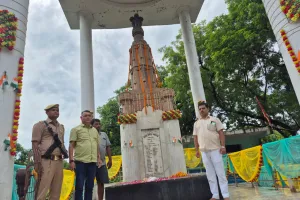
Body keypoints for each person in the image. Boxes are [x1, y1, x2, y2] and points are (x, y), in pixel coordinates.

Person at [193, 101, 230, 200]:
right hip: (204, 152)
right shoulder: (196, 123)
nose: (201, 110)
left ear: (208, 109)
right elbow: (195, 138)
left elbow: (221, 133)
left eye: (203, 108)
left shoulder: (215, 120)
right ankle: (215, 195)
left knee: (220, 173)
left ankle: (225, 195)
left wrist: (223, 146)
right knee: (210, 175)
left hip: (216, 150)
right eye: (200, 109)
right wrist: (196, 150)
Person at [31, 104, 68, 200]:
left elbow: (62, 143)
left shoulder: (61, 127)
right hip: (45, 160)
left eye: (57, 110)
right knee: (42, 190)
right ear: (46, 112)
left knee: (56, 191)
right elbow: (35, 145)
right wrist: (36, 162)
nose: (56, 112)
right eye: (53, 110)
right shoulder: (40, 125)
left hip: (59, 161)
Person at [69, 110, 102, 200]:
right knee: (79, 186)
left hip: (92, 162)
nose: (88, 117)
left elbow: (96, 145)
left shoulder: (94, 130)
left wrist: (98, 158)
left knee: (90, 186)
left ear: (91, 117)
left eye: (89, 116)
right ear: (81, 118)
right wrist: (71, 160)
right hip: (80, 162)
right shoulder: (76, 129)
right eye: (85, 115)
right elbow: (71, 146)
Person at [91, 119, 113, 200]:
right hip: (91, 163)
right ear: (92, 125)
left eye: (99, 124)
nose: (98, 126)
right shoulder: (89, 135)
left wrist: (110, 159)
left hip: (102, 163)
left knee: (101, 182)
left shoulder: (104, 134)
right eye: (96, 124)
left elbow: (108, 147)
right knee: (89, 183)